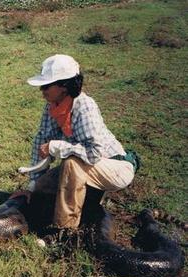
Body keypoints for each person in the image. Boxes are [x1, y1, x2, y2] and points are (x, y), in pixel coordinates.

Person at [11, 55, 138, 242]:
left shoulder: (84, 107)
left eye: (46, 86)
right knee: (42, 186)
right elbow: (41, 141)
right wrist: (32, 185)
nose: (41, 90)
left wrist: (57, 147)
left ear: (64, 86)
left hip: (115, 167)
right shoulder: (52, 106)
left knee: (71, 163)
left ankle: (63, 231)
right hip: (88, 165)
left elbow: (94, 152)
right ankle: (88, 199)